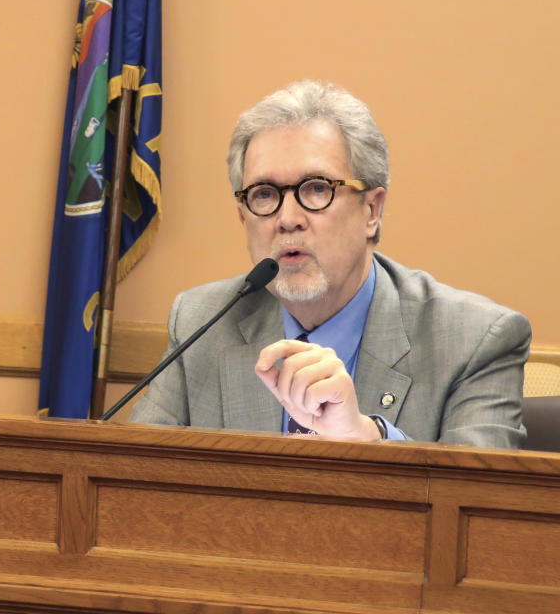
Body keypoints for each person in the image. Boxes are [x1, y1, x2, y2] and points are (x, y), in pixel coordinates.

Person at [130, 80, 529, 448]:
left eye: (316, 188)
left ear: (372, 210)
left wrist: (365, 438)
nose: (287, 218)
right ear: (243, 217)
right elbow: (130, 484)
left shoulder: (475, 341)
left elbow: (471, 513)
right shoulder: (201, 322)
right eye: (265, 194)